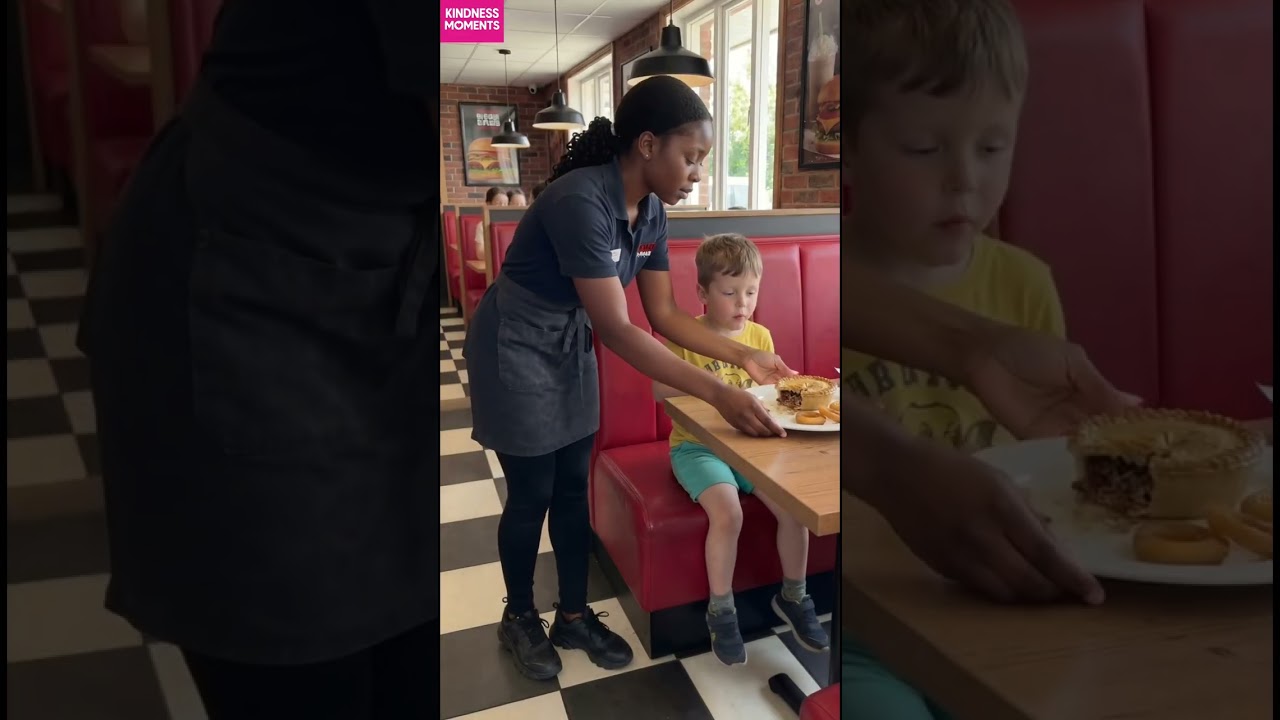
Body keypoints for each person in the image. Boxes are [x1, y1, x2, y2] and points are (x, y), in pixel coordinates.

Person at [75, 2, 437, 718]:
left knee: (416, 655)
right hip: (254, 295)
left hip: (377, 279)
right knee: (306, 669)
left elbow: (472, 31)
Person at [463, 76, 796, 681]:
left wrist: (744, 360)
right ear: (647, 145)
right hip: (515, 346)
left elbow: (664, 314)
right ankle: (518, 616)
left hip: (569, 344)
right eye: (690, 156)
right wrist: (718, 391)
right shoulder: (580, 202)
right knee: (533, 491)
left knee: (570, 488)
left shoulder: (653, 215)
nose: (696, 172)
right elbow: (618, 329)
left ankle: (570, 613)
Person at [837, 2, 1056, 716]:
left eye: (993, 148)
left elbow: (1055, 469)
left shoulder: (1026, 285)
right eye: (925, 150)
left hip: (1005, 603)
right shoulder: (815, 287)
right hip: (867, 621)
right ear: (851, 148)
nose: (964, 180)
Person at [654, 234, 830, 666]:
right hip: (697, 450)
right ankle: (721, 609)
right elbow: (661, 392)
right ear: (702, 293)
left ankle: (794, 596)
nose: (742, 302)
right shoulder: (685, 336)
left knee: (796, 509)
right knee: (728, 513)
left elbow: (772, 398)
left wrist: (804, 397)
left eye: (750, 292)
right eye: (729, 292)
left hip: (751, 449)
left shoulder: (760, 337)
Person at [474, 186, 509, 262]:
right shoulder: (481, 226)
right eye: (498, 203)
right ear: (488, 204)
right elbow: (480, 254)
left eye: (505, 203)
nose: (502, 207)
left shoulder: (510, 225)